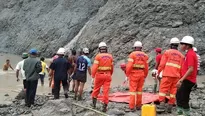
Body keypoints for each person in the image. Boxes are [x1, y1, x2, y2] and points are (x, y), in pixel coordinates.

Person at [157, 38, 184, 113]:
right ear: (177, 45)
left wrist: (158, 73)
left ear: (171, 45)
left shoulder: (167, 52)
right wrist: (181, 79)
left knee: (163, 90)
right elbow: (182, 68)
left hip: (167, 75)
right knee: (173, 92)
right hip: (176, 76)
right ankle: (170, 106)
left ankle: (162, 105)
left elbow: (162, 64)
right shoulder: (181, 56)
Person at [176, 36, 198, 116]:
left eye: (182, 44)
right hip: (186, 79)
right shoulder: (189, 53)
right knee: (179, 95)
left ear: (187, 45)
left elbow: (191, 69)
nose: (180, 45)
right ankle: (180, 112)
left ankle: (186, 113)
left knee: (183, 98)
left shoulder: (191, 54)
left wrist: (181, 80)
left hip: (188, 80)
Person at [126, 41, 149, 111]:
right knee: (139, 90)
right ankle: (138, 105)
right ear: (141, 48)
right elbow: (146, 67)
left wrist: (127, 74)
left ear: (135, 47)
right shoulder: (145, 55)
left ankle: (132, 107)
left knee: (132, 91)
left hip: (134, 74)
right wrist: (145, 75)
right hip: (141, 74)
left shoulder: (132, 54)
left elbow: (129, 66)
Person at [91, 42, 114, 112]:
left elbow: (94, 67)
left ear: (99, 49)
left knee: (96, 89)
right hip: (108, 75)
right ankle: (104, 107)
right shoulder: (110, 56)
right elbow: (112, 67)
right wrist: (110, 74)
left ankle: (94, 105)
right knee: (106, 91)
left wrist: (92, 76)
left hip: (99, 75)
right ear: (106, 49)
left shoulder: (98, 56)